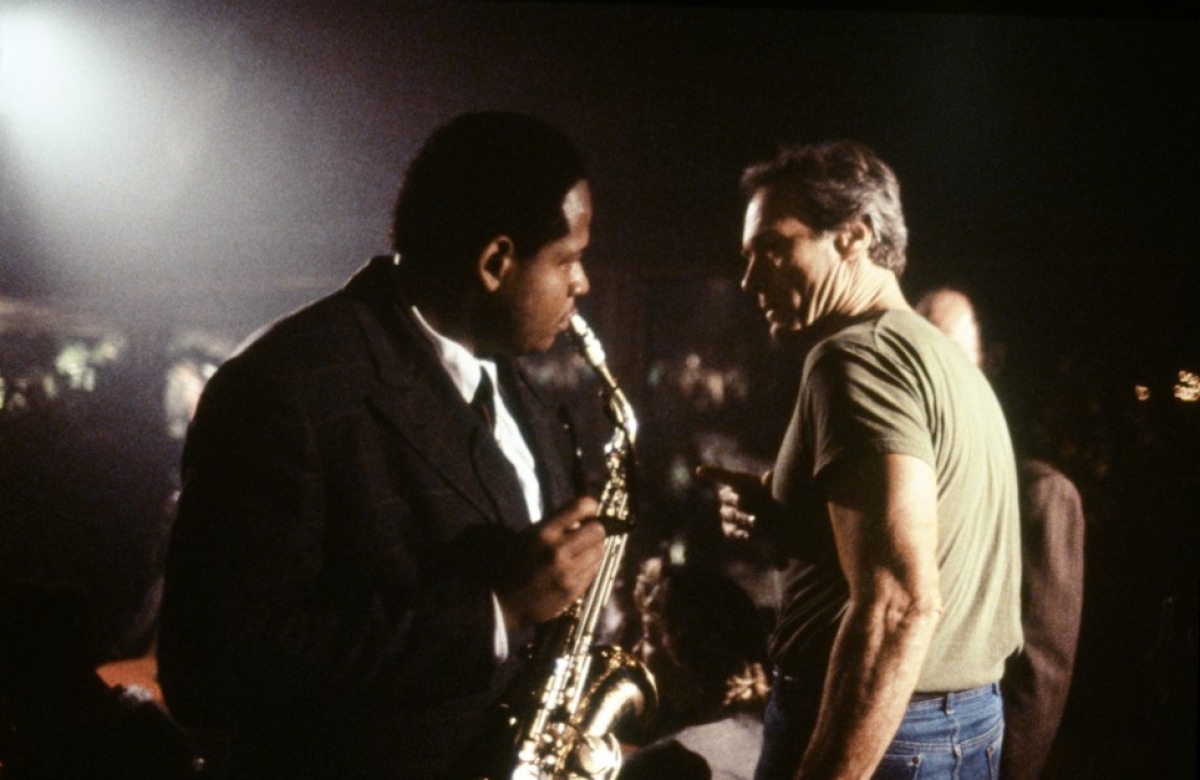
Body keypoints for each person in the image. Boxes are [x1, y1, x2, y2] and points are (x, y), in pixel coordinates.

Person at [155, 111, 610, 780]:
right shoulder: (282, 388)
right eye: (567, 258)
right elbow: (212, 668)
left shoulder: (519, 386)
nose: (583, 283)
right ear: (495, 263)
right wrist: (497, 610)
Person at [696, 140, 1022, 779]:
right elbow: (934, 545)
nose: (750, 279)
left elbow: (901, 604)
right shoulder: (941, 358)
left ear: (854, 237)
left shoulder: (854, 358)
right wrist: (796, 525)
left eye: (772, 247)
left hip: (884, 734)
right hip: (959, 726)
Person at [915, 286, 1085, 780]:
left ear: (990, 362)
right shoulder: (918, 471)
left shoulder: (1040, 493)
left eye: (949, 349)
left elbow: (1041, 676)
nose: (932, 369)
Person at [618, 560, 770, 780]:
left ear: (684, 652)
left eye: (649, 637)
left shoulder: (664, 765)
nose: (636, 649)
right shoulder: (760, 735)